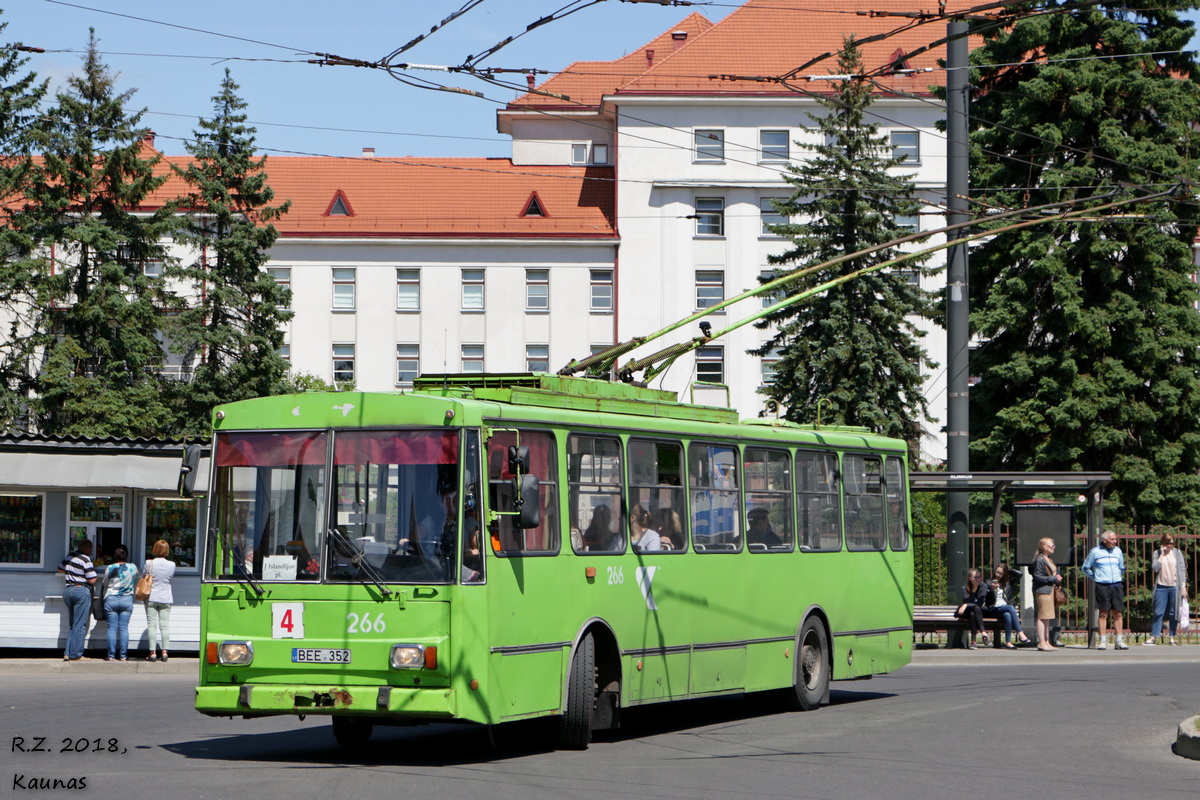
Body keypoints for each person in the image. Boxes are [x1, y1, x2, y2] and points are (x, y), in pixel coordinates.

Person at [1081, 530, 1128, 650]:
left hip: (1116, 585)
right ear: (1105, 540)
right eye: (1112, 539)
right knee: (1103, 613)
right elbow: (1085, 567)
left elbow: (1121, 567)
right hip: (1102, 585)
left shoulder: (1118, 551)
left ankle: (1119, 640)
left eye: (1115, 539)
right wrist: (1096, 577)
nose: (1115, 541)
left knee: (1118, 612)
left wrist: (1118, 575)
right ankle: (1102, 640)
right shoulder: (1095, 552)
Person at [57, 538, 97, 662]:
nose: (91, 551)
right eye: (90, 548)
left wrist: (72, 574)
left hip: (68, 591)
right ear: (86, 548)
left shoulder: (70, 557)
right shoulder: (85, 559)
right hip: (81, 591)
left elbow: (59, 569)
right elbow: (92, 579)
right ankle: (77, 654)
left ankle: (67, 653)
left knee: (73, 625)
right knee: (80, 624)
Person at [1147, 532, 1187, 646]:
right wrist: (1161, 555)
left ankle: (1172, 637)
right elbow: (1155, 568)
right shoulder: (1157, 553)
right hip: (1161, 586)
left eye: (1172, 543)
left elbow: (1182, 569)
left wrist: (1183, 587)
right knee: (1158, 612)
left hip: (1175, 586)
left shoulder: (1177, 553)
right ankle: (1154, 636)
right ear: (1163, 543)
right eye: (1168, 543)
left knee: (1173, 613)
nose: (1170, 545)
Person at [102, 546, 138, 662]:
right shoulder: (132, 567)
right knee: (124, 628)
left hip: (111, 599)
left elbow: (105, 583)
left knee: (112, 628)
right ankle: (123, 655)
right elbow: (138, 576)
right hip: (126, 599)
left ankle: (111, 655)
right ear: (126, 556)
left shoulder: (110, 567)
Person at [984, 563, 1031, 648]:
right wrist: (991, 589)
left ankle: (1008, 642)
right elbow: (987, 599)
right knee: (1010, 608)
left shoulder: (1007, 584)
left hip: (1004, 610)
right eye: (997, 572)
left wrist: (1007, 570)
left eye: (1001, 573)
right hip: (993, 609)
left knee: (1008, 615)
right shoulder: (989, 582)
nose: (998, 575)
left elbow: (1019, 574)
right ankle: (1020, 633)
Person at [144, 539, 176, 662]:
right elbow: (170, 578)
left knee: (152, 626)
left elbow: (143, 577)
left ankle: (152, 652)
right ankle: (165, 652)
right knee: (165, 625)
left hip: (151, 596)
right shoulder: (172, 565)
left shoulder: (149, 563)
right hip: (166, 597)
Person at [1032, 538, 1064, 651]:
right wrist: (1053, 578)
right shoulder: (1039, 560)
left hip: (1050, 590)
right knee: (1042, 617)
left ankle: (1047, 641)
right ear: (1045, 547)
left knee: (1047, 617)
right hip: (1043, 591)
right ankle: (1041, 642)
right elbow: (1037, 577)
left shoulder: (1049, 559)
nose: (1054, 547)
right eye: (1051, 545)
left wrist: (1057, 578)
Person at [956, 568, 989, 649]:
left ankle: (973, 641)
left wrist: (966, 604)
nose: (978, 579)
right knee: (973, 610)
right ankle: (983, 633)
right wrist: (973, 590)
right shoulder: (965, 588)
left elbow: (979, 603)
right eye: (975, 577)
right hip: (965, 612)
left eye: (979, 577)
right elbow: (969, 600)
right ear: (970, 578)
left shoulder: (984, 586)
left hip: (978, 612)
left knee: (973, 613)